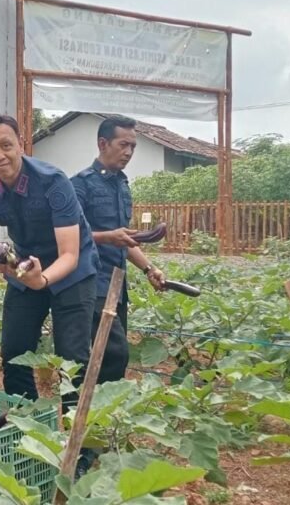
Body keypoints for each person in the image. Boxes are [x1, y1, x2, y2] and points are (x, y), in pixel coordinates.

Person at [0, 113, 100, 414]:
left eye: (6, 145)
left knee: (72, 360)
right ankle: (27, 427)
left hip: (73, 273)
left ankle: (79, 446)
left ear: (21, 142)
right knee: (14, 352)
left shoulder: (53, 182)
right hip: (25, 269)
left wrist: (42, 280)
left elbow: (70, 253)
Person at [70, 115, 165, 476]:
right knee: (111, 355)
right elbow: (70, 236)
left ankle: (97, 432)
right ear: (102, 144)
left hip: (117, 284)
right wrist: (108, 236)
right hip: (89, 284)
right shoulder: (79, 185)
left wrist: (148, 268)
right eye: (123, 144)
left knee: (111, 361)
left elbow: (127, 241)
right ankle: (84, 442)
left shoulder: (123, 186)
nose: (129, 152)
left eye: (133, 147)